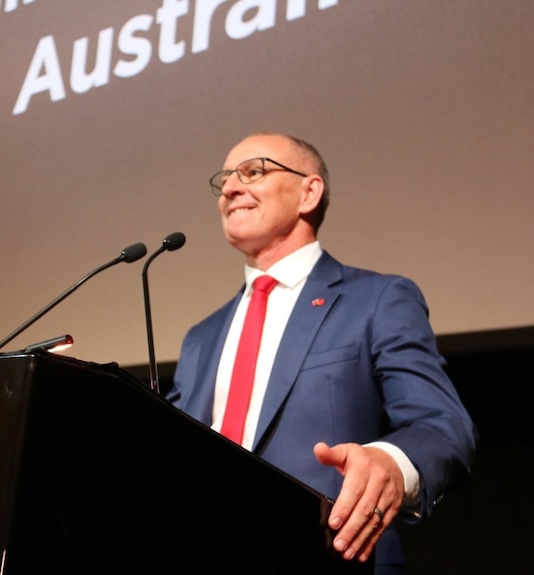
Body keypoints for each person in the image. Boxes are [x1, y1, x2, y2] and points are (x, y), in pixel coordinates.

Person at [167, 132, 476, 574]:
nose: (231, 189)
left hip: (331, 559)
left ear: (309, 192)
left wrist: (392, 463)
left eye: (252, 172)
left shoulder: (376, 299)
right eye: (224, 181)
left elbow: (442, 425)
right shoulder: (201, 337)